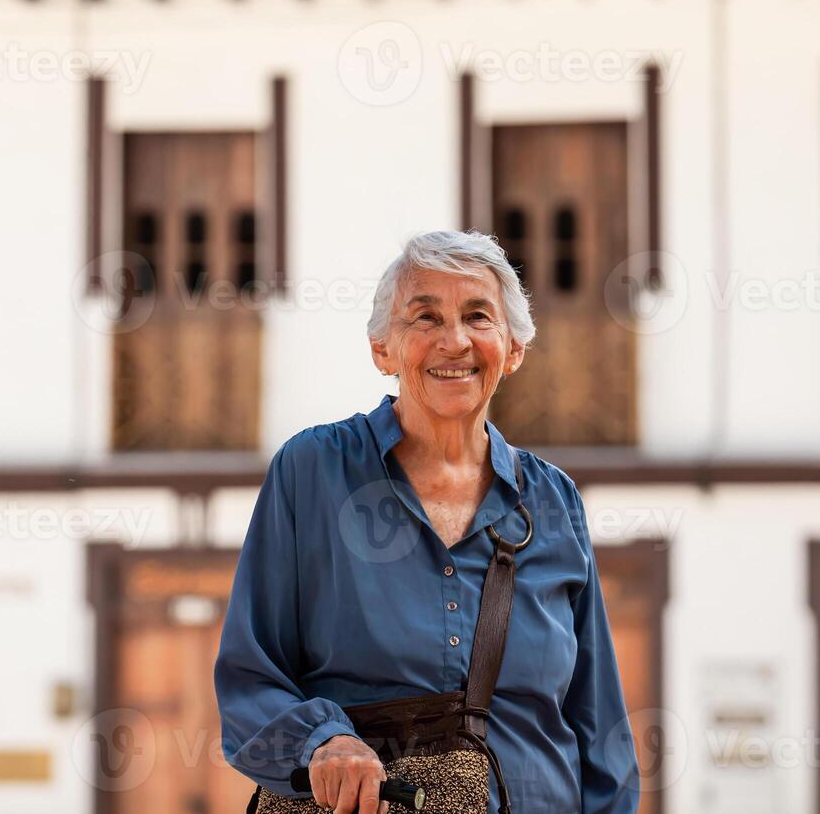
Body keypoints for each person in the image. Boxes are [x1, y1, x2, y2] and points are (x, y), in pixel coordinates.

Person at [215, 229, 640, 813]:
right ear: (382, 349)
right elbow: (249, 675)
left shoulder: (553, 499)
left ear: (513, 348)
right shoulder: (311, 472)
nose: (455, 341)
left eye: (477, 316)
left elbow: (599, 727)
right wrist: (322, 742)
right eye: (425, 318)